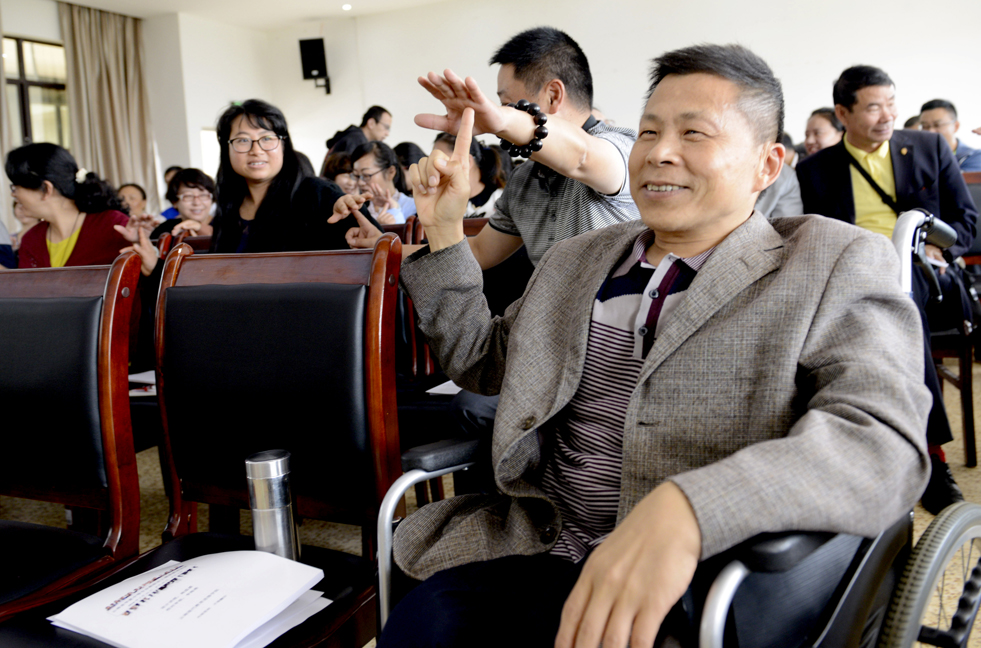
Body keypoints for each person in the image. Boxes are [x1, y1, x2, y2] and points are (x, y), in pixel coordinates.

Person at [377, 44, 930, 648]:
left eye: (694, 133)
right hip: (546, 545)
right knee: (425, 625)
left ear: (766, 165)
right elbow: (484, 363)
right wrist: (444, 229)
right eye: (648, 131)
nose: (660, 151)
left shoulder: (830, 260)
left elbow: (881, 438)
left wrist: (691, 508)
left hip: (703, 577)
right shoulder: (576, 260)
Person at [796, 65, 978, 514]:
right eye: (874, 107)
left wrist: (938, 248)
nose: (888, 115)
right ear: (843, 114)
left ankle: (931, 458)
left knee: (900, 302)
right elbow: (813, 240)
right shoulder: (816, 169)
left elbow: (967, 223)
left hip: (927, 276)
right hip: (853, 280)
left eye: (892, 104)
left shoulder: (929, 147)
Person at [338, 27, 639, 269]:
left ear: (553, 96)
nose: (501, 114)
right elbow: (478, 252)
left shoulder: (622, 149)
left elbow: (581, 157)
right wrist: (386, 245)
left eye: (509, 104)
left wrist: (500, 120)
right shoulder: (525, 180)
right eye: (502, 107)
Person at [6, 143, 137, 268]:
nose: (13, 194)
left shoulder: (114, 226)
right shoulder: (31, 240)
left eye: (15, 187)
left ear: (46, 189)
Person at [432, 132, 506, 218]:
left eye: (441, 161)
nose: (434, 168)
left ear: (467, 161)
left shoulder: (503, 200)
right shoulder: (441, 203)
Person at [351, 141, 416, 225]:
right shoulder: (357, 209)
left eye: (366, 175)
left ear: (390, 172)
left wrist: (395, 213)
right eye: (356, 175)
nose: (360, 182)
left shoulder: (414, 207)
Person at [149, 168, 216, 239]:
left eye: (203, 195)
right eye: (188, 196)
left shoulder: (223, 226)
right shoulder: (165, 229)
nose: (197, 203)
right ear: (174, 202)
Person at [920, 99, 981, 172]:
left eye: (937, 125)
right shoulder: (917, 157)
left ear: (956, 126)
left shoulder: (974, 157)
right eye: (925, 126)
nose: (930, 131)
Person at [324, 105, 392, 159]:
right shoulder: (356, 140)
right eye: (386, 127)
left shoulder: (352, 137)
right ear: (371, 123)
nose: (387, 134)